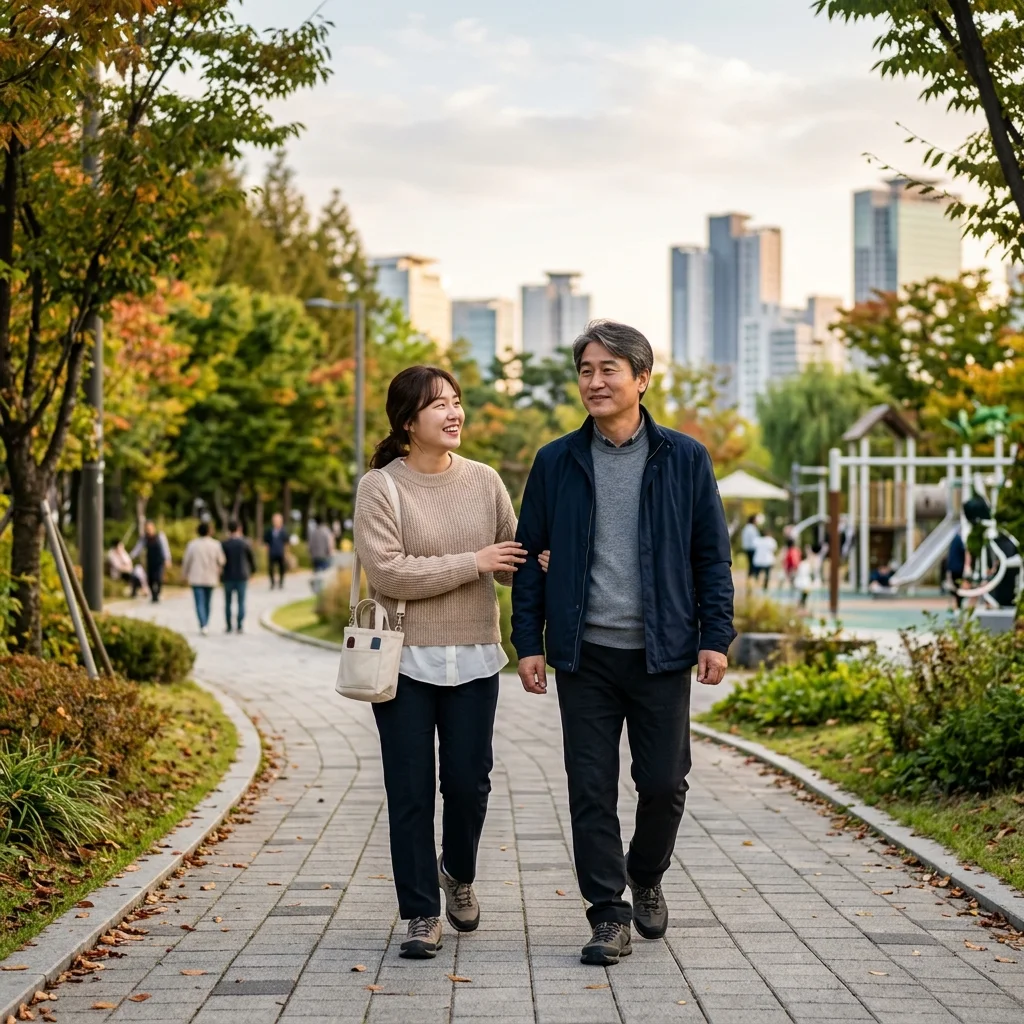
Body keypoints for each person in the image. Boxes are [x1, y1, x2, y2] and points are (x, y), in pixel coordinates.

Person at [512, 320, 735, 967]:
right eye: (585, 369)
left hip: (661, 652)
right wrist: (528, 641)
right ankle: (607, 914)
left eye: (608, 369)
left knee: (664, 784)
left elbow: (710, 556)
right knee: (590, 788)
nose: (594, 381)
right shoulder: (556, 461)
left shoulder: (685, 458)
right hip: (585, 655)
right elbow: (530, 558)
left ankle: (645, 874)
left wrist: (714, 635)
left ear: (641, 378)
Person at [353, 366, 524, 961]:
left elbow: (510, 558)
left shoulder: (484, 481)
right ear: (407, 423)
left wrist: (529, 560)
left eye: (456, 402)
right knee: (410, 790)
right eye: (438, 406)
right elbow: (389, 572)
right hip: (403, 661)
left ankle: (459, 871)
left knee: (470, 785)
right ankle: (422, 913)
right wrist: (473, 561)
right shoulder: (381, 487)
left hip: (476, 657)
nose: (453, 414)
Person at [181, 521, 225, 636]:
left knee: (199, 602)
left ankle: (203, 624)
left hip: (196, 578)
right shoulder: (216, 544)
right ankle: (206, 623)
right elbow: (222, 561)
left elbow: (186, 561)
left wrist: (184, 574)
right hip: (210, 577)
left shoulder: (192, 545)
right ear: (209, 531)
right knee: (207, 602)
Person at [222, 520, 256, 633]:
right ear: (239, 528)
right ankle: (240, 625)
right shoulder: (245, 543)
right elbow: (251, 559)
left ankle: (228, 625)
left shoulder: (225, 544)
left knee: (228, 603)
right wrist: (253, 571)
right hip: (242, 575)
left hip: (228, 576)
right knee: (241, 602)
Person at [133, 521, 171, 603]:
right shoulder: (144, 538)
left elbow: (165, 548)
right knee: (150, 579)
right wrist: (131, 556)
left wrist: (167, 559)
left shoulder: (160, 536)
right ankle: (153, 594)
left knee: (158, 578)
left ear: (153, 528)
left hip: (159, 561)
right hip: (150, 560)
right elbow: (138, 548)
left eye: (150, 528)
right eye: (147, 529)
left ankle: (157, 594)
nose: (148, 530)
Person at [264, 513, 289, 589]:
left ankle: (281, 582)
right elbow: (266, 542)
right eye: (275, 521)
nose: (276, 522)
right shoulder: (269, 531)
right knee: (271, 568)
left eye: (278, 521)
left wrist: (286, 553)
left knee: (282, 568)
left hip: (281, 552)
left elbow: (286, 543)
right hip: (272, 552)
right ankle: (272, 583)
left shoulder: (284, 532)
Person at [946, 529, 967, 609]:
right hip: (957, 568)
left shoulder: (954, 541)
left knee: (956, 585)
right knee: (957, 585)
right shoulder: (959, 540)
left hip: (953, 567)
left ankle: (958, 602)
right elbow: (962, 552)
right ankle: (958, 602)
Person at [740, 514, 760, 583]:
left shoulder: (746, 528)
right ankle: (752, 579)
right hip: (752, 548)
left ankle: (750, 579)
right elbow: (755, 539)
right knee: (753, 564)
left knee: (751, 564)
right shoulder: (752, 528)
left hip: (747, 548)